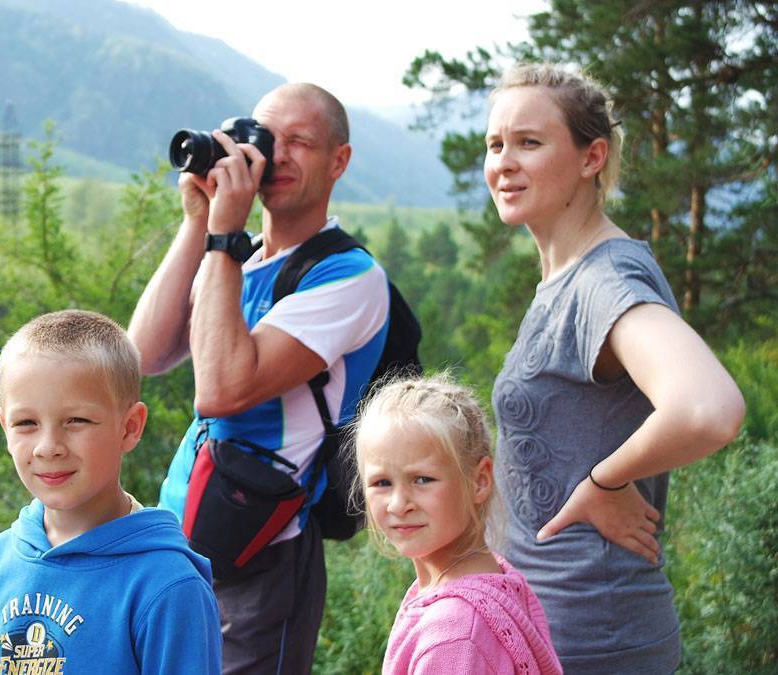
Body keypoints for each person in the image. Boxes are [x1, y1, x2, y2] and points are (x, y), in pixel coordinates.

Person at [484, 63, 746, 674]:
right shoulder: (565, 275)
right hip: (551, 627)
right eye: (495, 145)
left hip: (594, 636)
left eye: (529, 141)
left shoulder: (603, 279)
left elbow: (709, 409)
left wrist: (602, 483)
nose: (504, 162)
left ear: (591, 156)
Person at [128, 83, 390, 674]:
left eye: (302, 142)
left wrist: (223, 236)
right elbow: (143, 353)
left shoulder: (350, 277)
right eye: (271, 139)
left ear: (339, 161)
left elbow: (220, 390)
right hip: (182, 534)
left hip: (261, 553)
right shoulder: (236, 261)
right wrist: (200, 222)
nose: (280, 156)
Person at [0, 309, 221, 674]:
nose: (48, 447)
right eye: (26, 423)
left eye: (76, 421)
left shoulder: (168, 586)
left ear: (130, 427)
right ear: (4, 427)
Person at [353, 374, 562, 675]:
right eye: (381, 482)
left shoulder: (455, 635)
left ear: (480, 480)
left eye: (422, 479)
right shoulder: (498, 578)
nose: (399, 504)